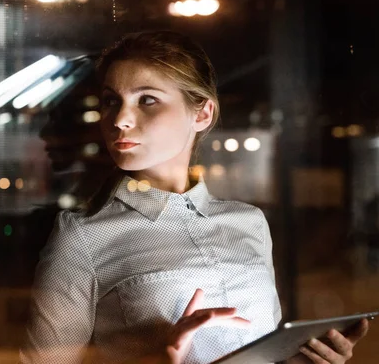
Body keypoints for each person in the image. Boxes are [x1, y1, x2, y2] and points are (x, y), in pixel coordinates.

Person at [19, 31, 369, 364]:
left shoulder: (248, 221)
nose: (120, 119)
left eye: (148, 100)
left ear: (202, 113)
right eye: (112, 101)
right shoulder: (83, 236)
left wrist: (302, 360)